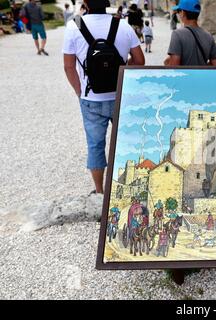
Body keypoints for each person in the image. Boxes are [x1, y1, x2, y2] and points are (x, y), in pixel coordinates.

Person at [62, 0, 145, 195]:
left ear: (85, 3)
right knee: (126, 142)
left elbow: (68, 66)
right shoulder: (122, 26)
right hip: (120, 96)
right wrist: (121, 70)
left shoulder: (74, 26)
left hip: (90, 98)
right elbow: (140, 61)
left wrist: (79, 91)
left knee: (95, 144)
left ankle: (100, 192)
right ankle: (126, 190)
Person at [165, 0, 216, 66]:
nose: (178, 14)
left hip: (185, 76)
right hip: (201, 76)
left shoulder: (177, 34)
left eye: (178, 11)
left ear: (182, 13)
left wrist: (167, 63)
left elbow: (174, 67)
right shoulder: (208, 35)